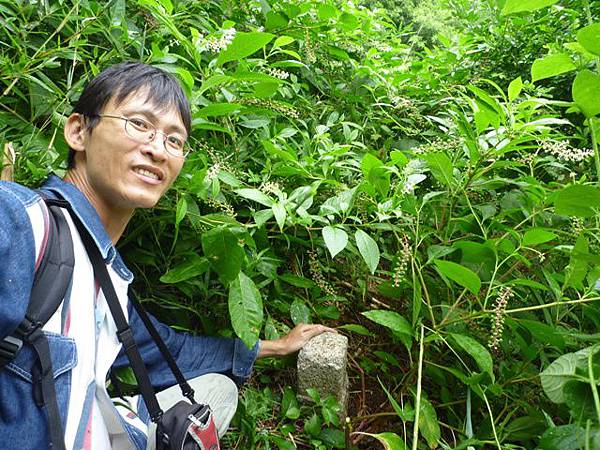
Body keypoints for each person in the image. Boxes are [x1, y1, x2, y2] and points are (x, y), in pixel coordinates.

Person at [0, 61, 335, 450]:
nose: (158, 149)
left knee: (218, 392)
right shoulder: (23, 223)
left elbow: (171, 350)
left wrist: (274, 346)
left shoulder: (106, 276)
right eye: (139, 123)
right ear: (78, 131)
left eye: (174, 140)